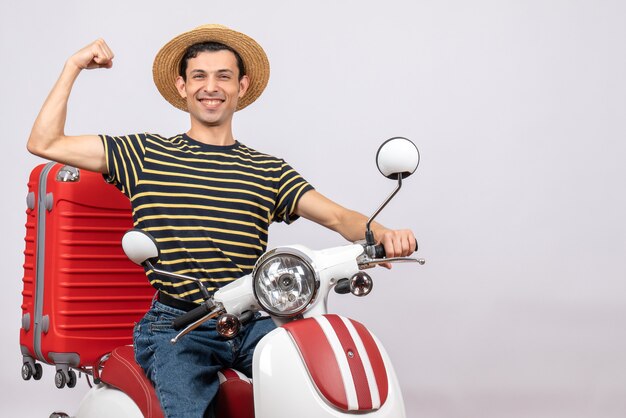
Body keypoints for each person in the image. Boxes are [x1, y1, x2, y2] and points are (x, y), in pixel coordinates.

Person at [27, 24, 416, 418]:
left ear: (241, 87)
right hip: (179, 325)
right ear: (182, 86)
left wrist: (382, 233)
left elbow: (336, 215)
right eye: (199, 76)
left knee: (315, 375)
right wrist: (73, 65)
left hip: (251, 318)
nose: (210, 86)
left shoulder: (268, 171)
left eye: (223, 76)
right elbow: (45, 142)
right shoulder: (144, 154)